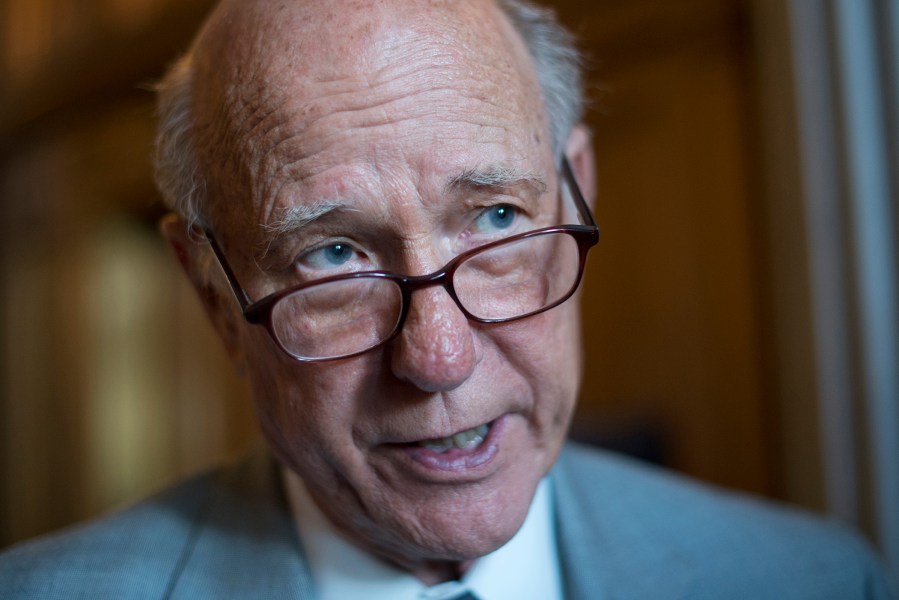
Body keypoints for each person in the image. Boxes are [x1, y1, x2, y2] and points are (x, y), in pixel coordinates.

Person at [1, 0, 894, 598]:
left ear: (575, 190)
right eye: (333, 255)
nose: (439, 356)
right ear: (212, 296)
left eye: (497, 217)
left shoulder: (812, 577)